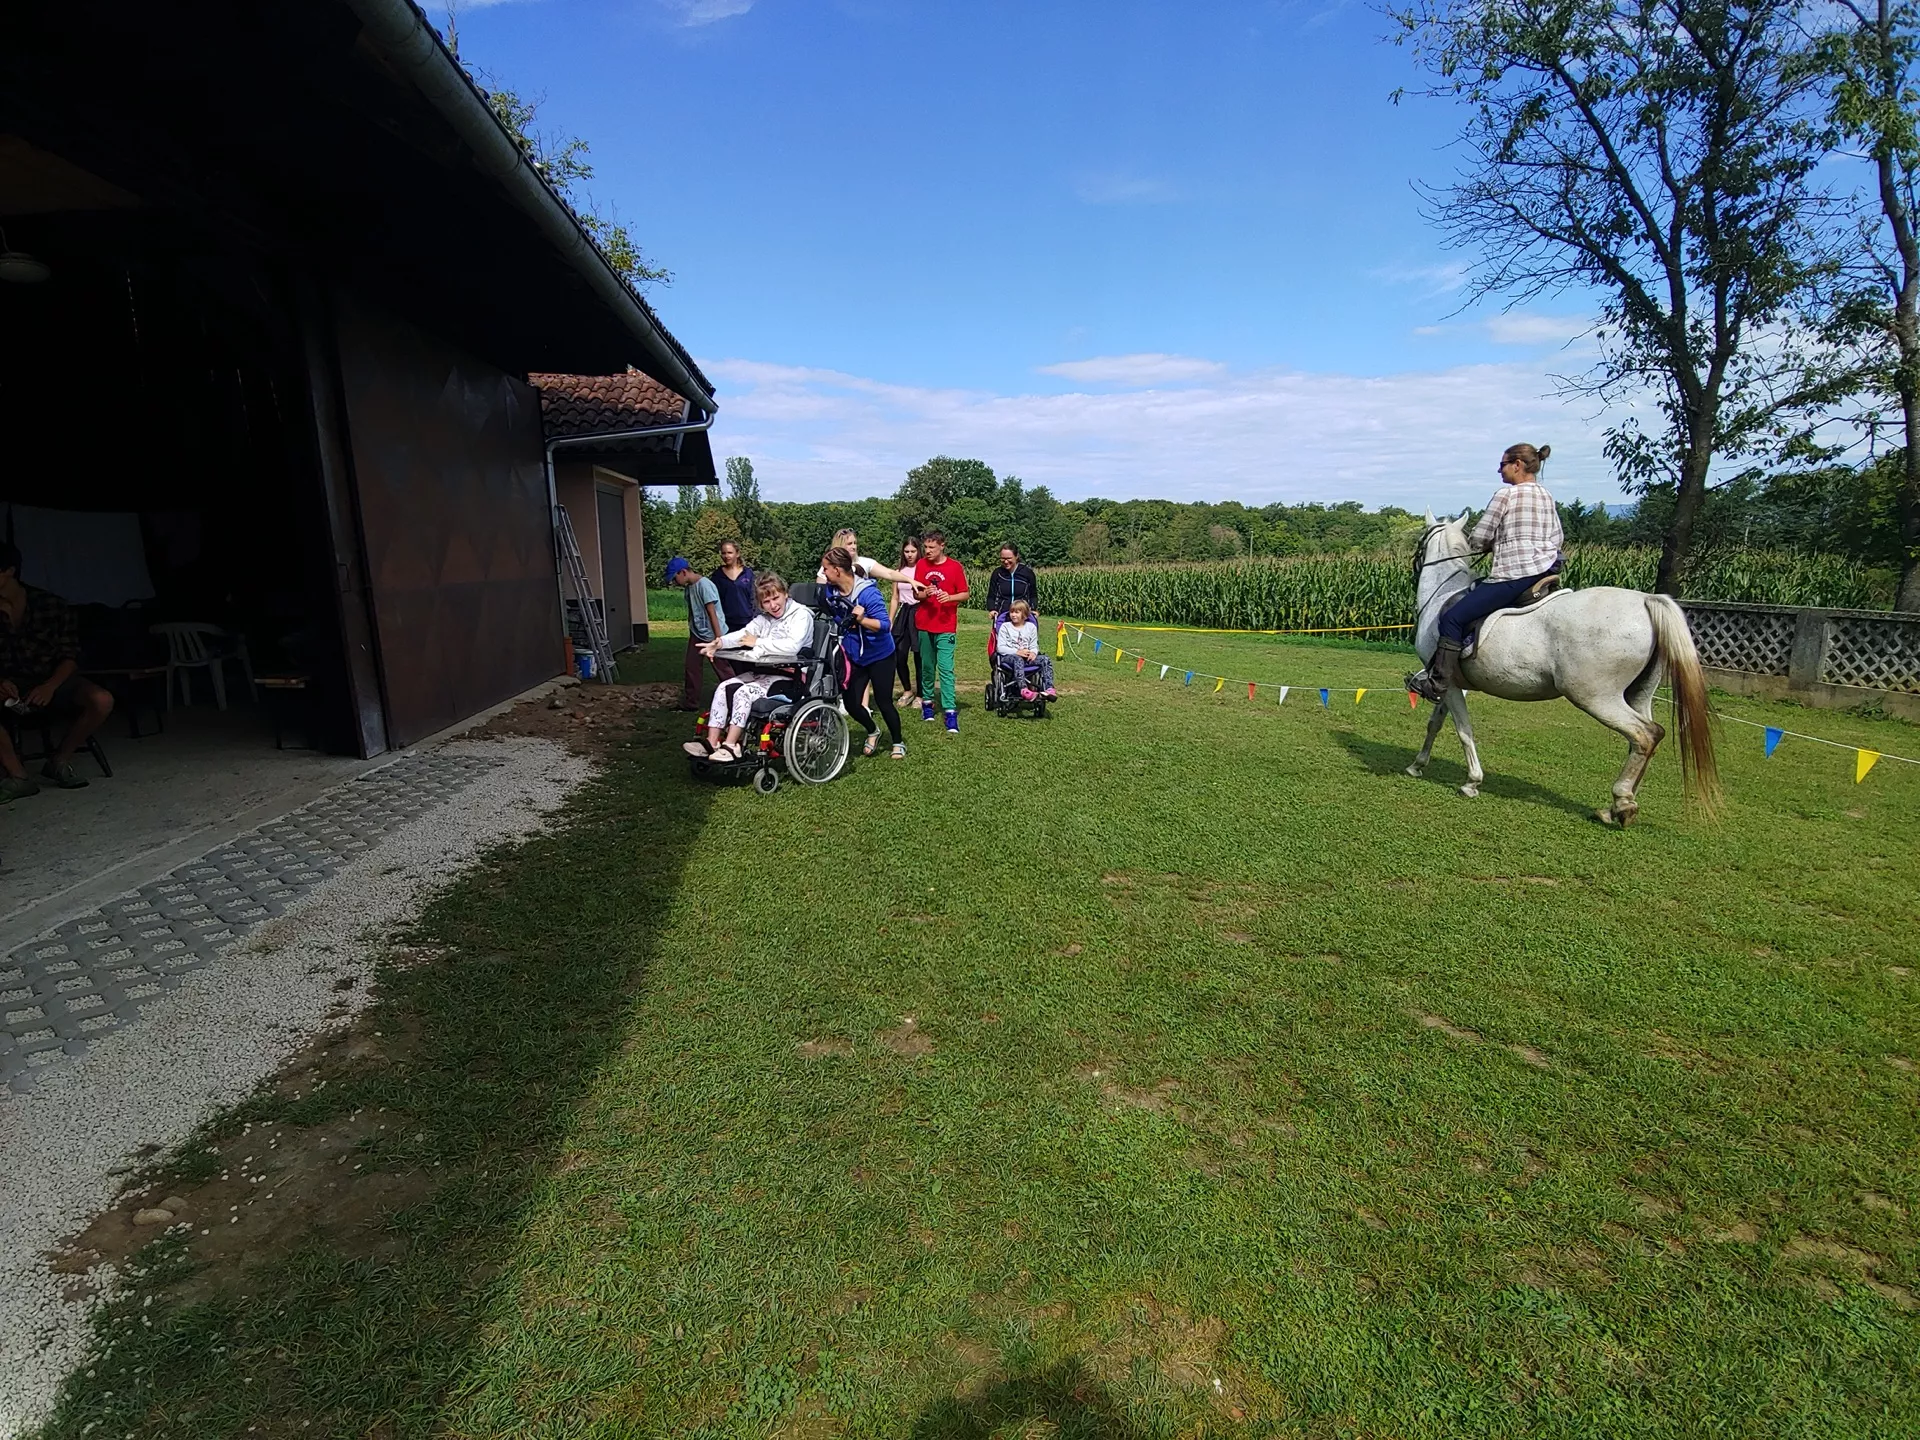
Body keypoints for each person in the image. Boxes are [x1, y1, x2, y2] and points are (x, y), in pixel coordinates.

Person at [1410, 443, 1564, 702]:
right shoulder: (1546, 496)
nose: (1499, 470)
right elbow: (1558, 536)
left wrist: (1490, 544)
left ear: (1517, 465)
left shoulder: (1505, 495)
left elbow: (1480, 536)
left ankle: (1437, 684)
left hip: (1512, 574)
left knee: (1453, 618)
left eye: (1502, 464)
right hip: (1544, 572)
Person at [0, 540, 114, 800]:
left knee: (101, 700)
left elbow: (71, 654)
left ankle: (59, 760)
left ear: (9, 571)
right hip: (11, 682)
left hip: (53, 677)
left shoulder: (49, 604)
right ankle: (18, 776)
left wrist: (50, 685)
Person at [685, 573, 813, 762]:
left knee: (743, 693)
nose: (773, 605)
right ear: (761, 604)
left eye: (776, 598)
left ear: (786, 594)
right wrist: (719, 643)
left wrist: (758, 642)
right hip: (765, 672)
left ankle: (731, 746)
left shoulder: (801, 615)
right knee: (723, 687)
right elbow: (743, 634)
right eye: (767, 601)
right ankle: (712, 743)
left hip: (790, 677)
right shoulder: (765, 619)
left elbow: (792, 646)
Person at [821, 546, 905, 759]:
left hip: (880, 655)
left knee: (884, 702)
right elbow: (836, 616)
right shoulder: (831, 592)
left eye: (826, 569)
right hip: (854, 655)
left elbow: (885, 625)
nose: (823, 573)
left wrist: (862, 620)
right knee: (851, 703)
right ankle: (872, 730)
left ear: (838, 570)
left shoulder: (868, 593)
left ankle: (897, 741)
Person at [911, 530, 968, 735]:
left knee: (946, 668)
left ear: (942, 545)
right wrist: (924, 593)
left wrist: (949, 598)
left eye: (931, 548)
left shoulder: (954, 567)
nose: (927, 551)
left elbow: (965, 593)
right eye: (925, 547)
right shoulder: (921, 565)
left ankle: (950, 711)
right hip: (924, 624)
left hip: (945, 626)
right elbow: (916, 594)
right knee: (927, 667)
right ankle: (928, 704)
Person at [667, 556, 731, 710]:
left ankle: (736, 699)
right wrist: (692, 630)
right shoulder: (689, 588)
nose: (675, 583)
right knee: (692, 667)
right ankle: (691, 702)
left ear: (683, 572)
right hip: (697, 634)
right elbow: (692, 611)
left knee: (723, 669)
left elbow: (712, 612)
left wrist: (718, 639)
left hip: (713, 635)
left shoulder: (705, 585)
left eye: (675, 579)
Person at [994, 598, 1056, 701]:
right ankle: (1023, 689)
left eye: (1017, 612)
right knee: (1017, 659)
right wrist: (1017, 652)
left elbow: (1034, 645)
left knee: (1045, 659)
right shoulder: (1005, 627)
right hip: (1008, 658)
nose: (1013, 615)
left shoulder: (1031, 627)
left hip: (1027, 658)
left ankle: (1049, 688)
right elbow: (1000, 648)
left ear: (1025, 615)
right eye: (1012, 612)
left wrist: (1033, 653)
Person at [889, 536, 926, 707]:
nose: (910, 554)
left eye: (913, 551)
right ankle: (907, 690)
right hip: (904, 613)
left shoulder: (924, 568)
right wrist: (890, 620)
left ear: (918, 551)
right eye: (906, 551)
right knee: (899, 654)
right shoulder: (899, 571)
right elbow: (895, 597)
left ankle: (921, 694)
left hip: (920, 611)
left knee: (919, 655)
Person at [710, 539, 757, 633]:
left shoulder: (748, 574)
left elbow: (755, 598)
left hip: (747, 623)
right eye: (724, 553)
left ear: (737, 553)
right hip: (726, 624)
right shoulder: (717, 576)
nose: (727, 556)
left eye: (730, 552)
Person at [984, 543, 1039, 616]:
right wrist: (992, 609)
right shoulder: (997, 573)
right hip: (1002, 616)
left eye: (1009, 558)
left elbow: (1033, 595)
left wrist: (1033, 608)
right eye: (1003, 558)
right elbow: (991, 596)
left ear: (1016, 556)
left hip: (1022, 617)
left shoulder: (1027, 573)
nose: (1006, 561)